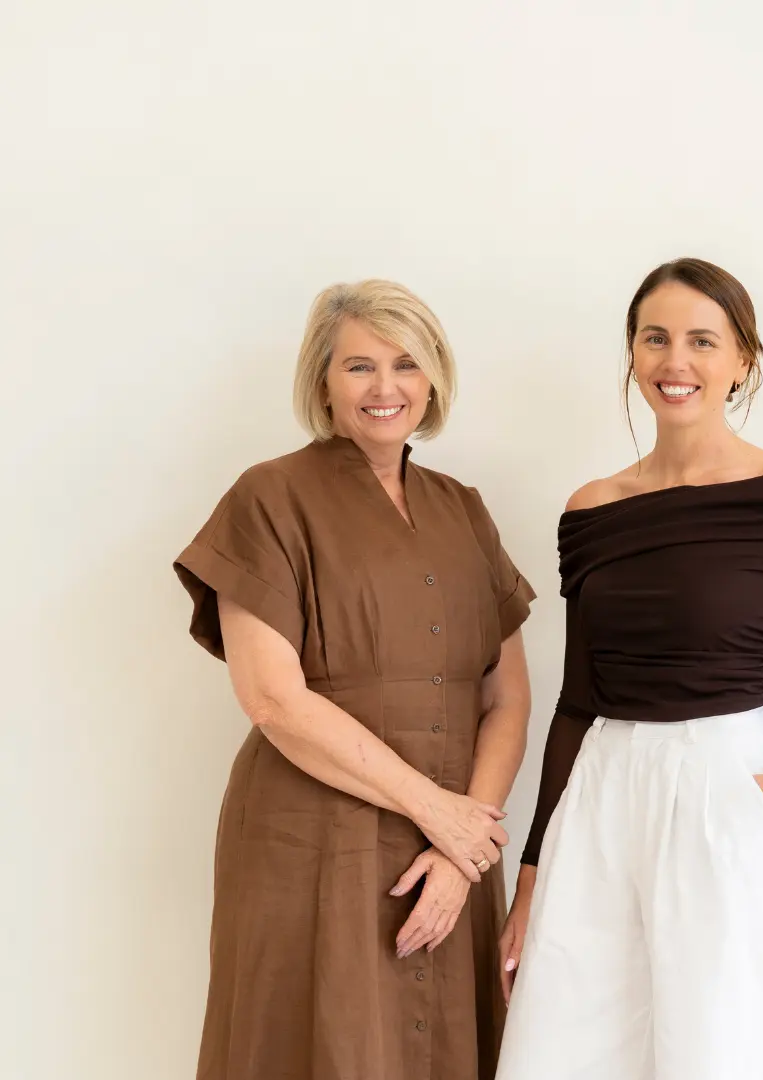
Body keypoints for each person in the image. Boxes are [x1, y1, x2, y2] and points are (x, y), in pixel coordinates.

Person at [495, 258, 763, 1080]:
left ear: (742, 361)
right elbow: (578, 701)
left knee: (715, 1056)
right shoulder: (592, 510)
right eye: (654, 338)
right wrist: (534, 867)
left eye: (700, 340)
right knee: (560, 1052)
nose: (673, 362)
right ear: (631, 354)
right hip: (599, 796)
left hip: (727, 789)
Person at [174, 279, 535, 1080]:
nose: (385, 389)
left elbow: (506, 695)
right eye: (359, 366)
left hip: (455, 846)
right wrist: (441, 815)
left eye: (407, 364)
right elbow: (271, 697)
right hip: (313, 837)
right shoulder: (268, 497)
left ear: (434, 377)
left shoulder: (465, 509)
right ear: (321, 381)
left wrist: (462, 850)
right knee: (316, 1044)